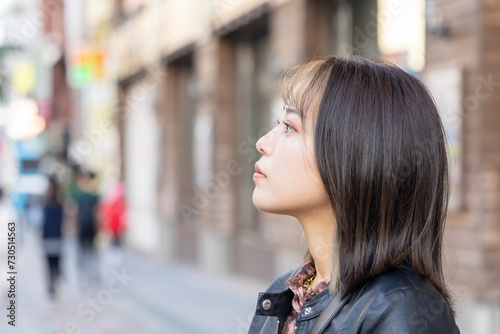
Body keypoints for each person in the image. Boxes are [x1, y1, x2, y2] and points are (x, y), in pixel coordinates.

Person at [249, 56, 460, 333]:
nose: (262, 142)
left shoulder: (399, 308)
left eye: (290, 127)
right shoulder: (284, 293)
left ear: (358, 156)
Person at [41, 177, 64, 298]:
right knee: (54, 262)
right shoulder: (58, 203)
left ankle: (52, 282)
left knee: (51, 262)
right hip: (55, 236)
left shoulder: (48, 203)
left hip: (51, 236)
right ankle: (53, 281)